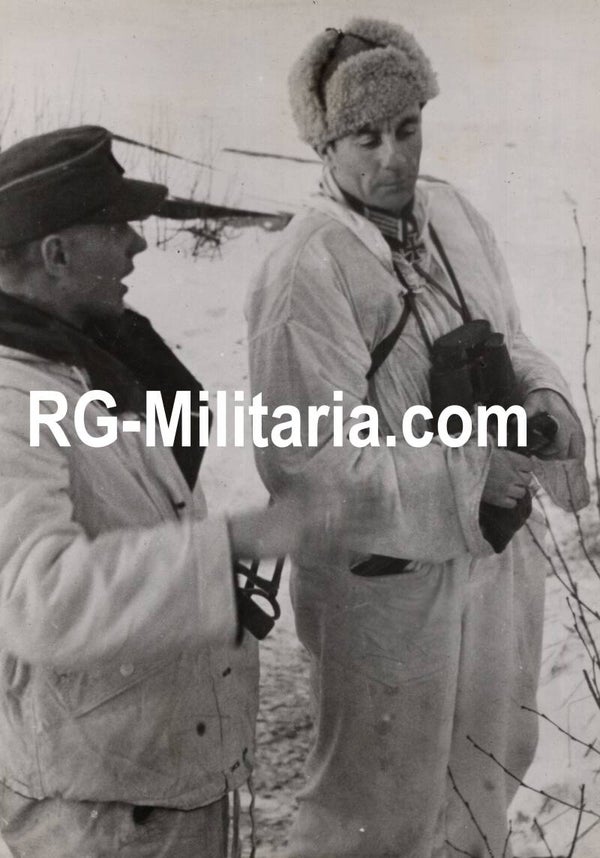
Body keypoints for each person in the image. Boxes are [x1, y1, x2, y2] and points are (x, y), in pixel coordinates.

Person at [246, 18, 588, 858]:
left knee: (485, 775)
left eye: (408, 128)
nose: (394, 157)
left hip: (492, 561)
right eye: (366, 137)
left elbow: (509, 335)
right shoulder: (307, 269)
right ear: (324, 146)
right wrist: (470, 474)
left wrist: (540, 400)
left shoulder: (456, 219)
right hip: (386, 592)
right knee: (378, 808)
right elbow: (308, 462)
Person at [0, 125, 372, 858]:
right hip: (101, 821)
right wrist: (230, 546)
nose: (137, 245)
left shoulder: (81, 363)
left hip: (149, 788)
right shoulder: (12, 395)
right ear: (56, 254)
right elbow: (35, 601)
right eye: (116, 226)